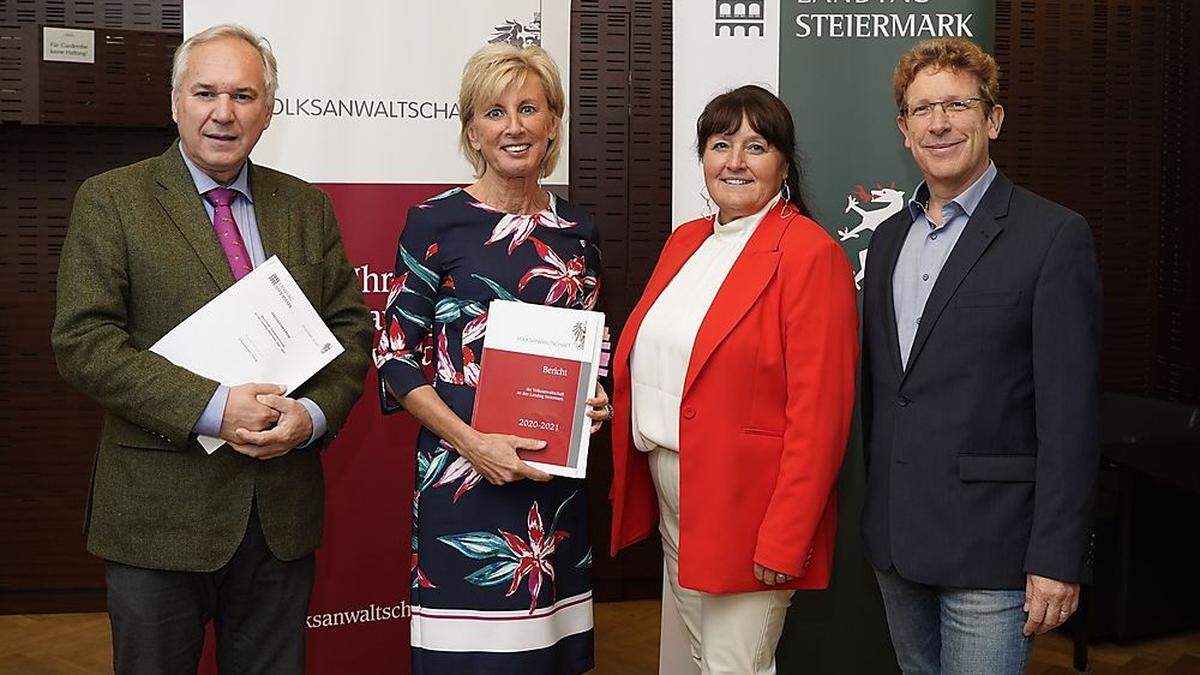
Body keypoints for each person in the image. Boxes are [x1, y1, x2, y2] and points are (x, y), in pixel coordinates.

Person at [49, 24, 372, 674]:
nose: (224, 112)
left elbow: (350, 332)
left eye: (244, 95)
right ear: (176, 102)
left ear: (268, 109)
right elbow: (84, 341)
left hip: (277, 516)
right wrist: (215, 407)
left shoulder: (306, 208)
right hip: (156, 518)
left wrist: (309, 418)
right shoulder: (111, 201)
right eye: (206, 93)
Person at [860, 37, 1102, 674]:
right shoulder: (887, 241)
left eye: (957, 105)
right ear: (904, 129)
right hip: (897, 541)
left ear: (992, 119)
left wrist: (1056, 557)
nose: (939, 123)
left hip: (993, 550)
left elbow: (1070, 417)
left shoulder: (1053, 237)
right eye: (921, 110)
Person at [608, 85, 859, 674]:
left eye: (756, 146)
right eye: (721, 145)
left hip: (750, 506)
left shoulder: (809, 254)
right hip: (676, 488)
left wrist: (785, 536)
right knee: (702, 657)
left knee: (733, 664)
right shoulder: (687, 241)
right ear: (703, 157)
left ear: (785, 164)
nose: (736, 162)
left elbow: (820, 417)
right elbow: (668, 363)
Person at [375, 43, 605, 674]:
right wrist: (474, 443)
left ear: (553, 123)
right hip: (462, 481)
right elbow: (395, 360)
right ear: (472, 131)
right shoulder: (434, 223)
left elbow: (587, 350)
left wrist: (596, 398)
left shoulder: (577, 232)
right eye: (495, 112)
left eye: (529, 108)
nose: (514, 126)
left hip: (552, 495)